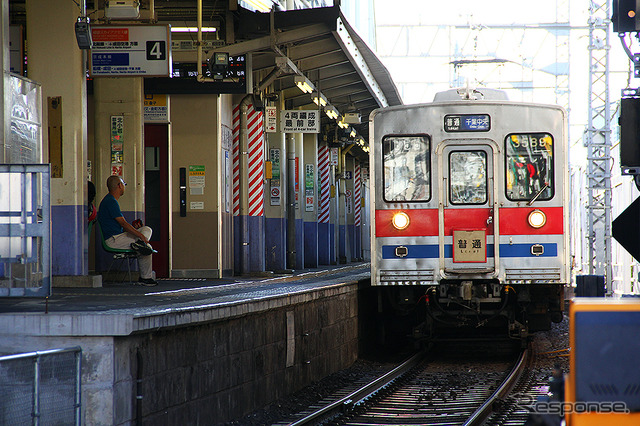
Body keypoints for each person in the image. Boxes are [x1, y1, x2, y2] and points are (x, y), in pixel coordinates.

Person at [97, 175, 157, 286]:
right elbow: (123, 223)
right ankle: (145, 278)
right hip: (114, 240)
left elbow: (122, 224)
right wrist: (139, 234)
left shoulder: (110, 200)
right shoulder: (111, 202)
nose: (124, 186)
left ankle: (139, 243)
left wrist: (137, 230)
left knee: (146, 229)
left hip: (119, 236)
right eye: (123, 183)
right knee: (147, 248)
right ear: (119, 186)